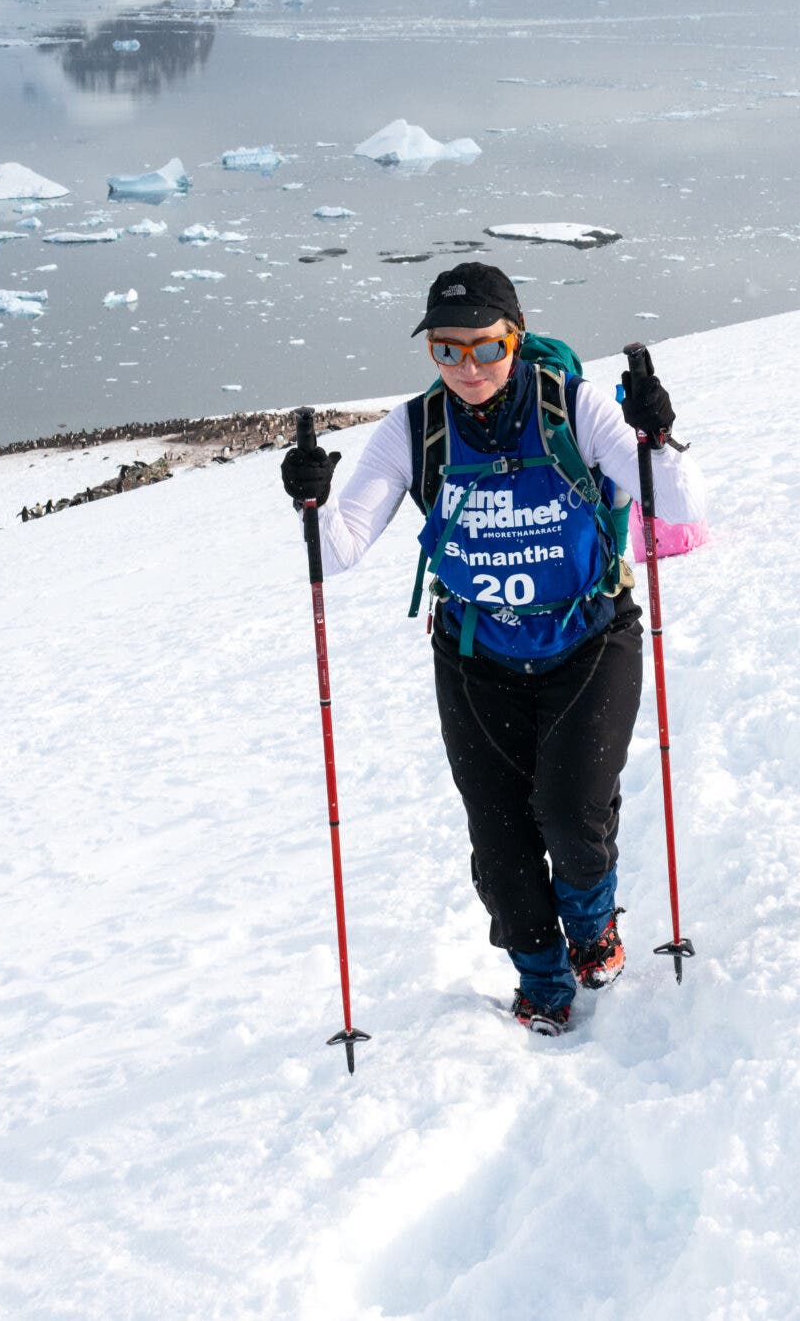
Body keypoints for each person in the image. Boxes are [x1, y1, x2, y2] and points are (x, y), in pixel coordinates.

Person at [279, 261, 704, 1035]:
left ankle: (592, 926)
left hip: (590, 638)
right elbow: (337, 552)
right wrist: (311, 501)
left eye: (485, 346)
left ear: (516, 336)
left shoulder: (572, 405)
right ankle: (540, 975)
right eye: (447, 350)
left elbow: (676, 502)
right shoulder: (414, 430)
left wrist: (656, 434)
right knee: (501, 845)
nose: (467, 367)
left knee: (572, 815)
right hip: (477, 657)